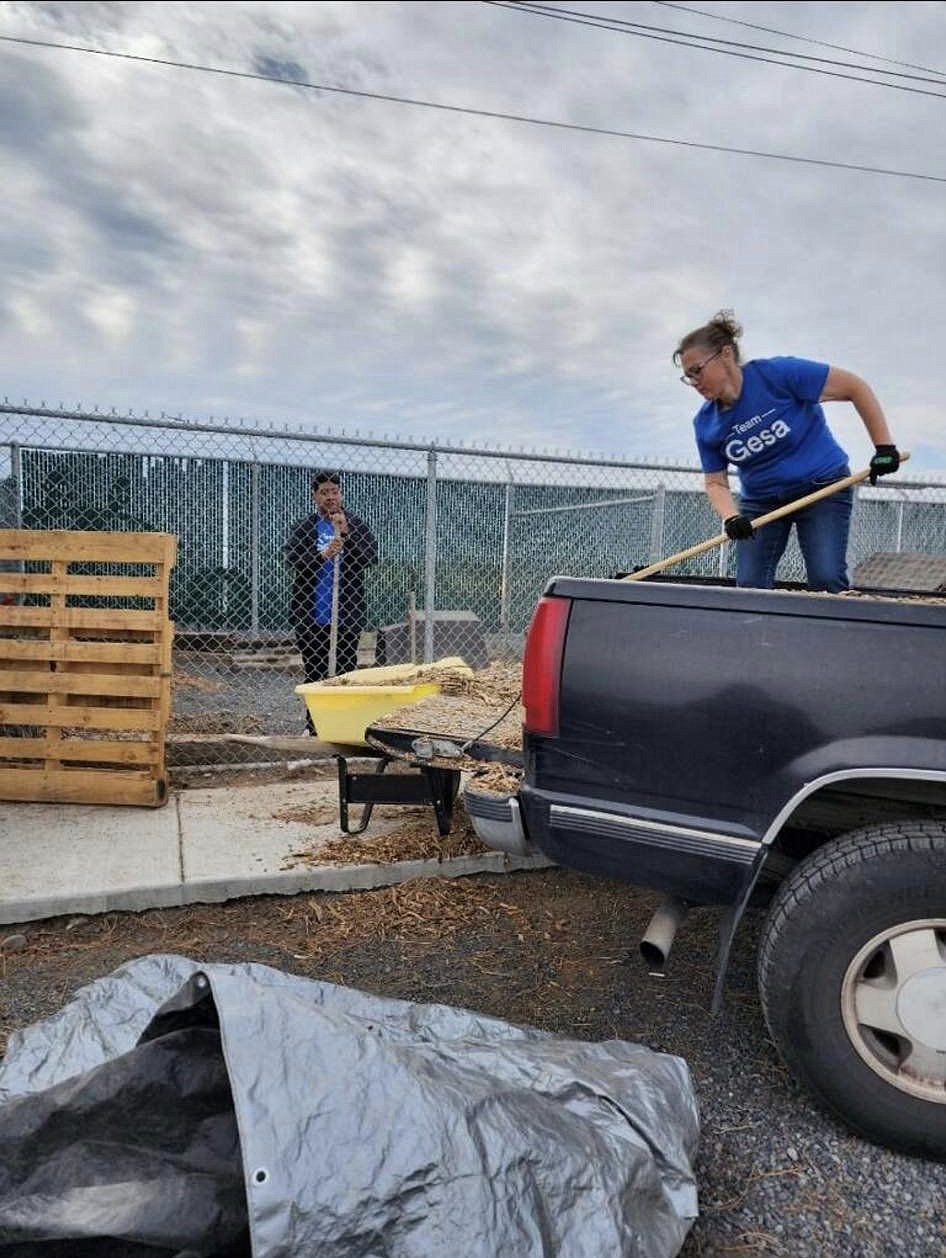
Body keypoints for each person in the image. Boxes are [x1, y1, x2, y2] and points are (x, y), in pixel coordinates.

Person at [673, 311, 901, 592]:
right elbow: (715, 482)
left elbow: (855, 387)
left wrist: (884, 447)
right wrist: (731, 517)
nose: (694, 381)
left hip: (823, 488)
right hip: (762, 502)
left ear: (726, 354)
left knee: (826, 577)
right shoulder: (706, 423)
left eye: (697, 370)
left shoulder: (779, 375)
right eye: (688, 377)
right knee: (750, 586)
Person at [284, 470, 378, 730]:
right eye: (324, 492)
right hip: (312, 613)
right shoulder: (305, 527)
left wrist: (346, 534)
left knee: (347, 671)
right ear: (315, 496)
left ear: (341, 494)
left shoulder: (355, 524)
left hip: (346, 614)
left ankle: (345, 726)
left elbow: (369, 558)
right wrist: (324, 554)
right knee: (315, 671)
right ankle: (314, 726)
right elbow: (293, 561)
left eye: (334, 491)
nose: (330, 497)